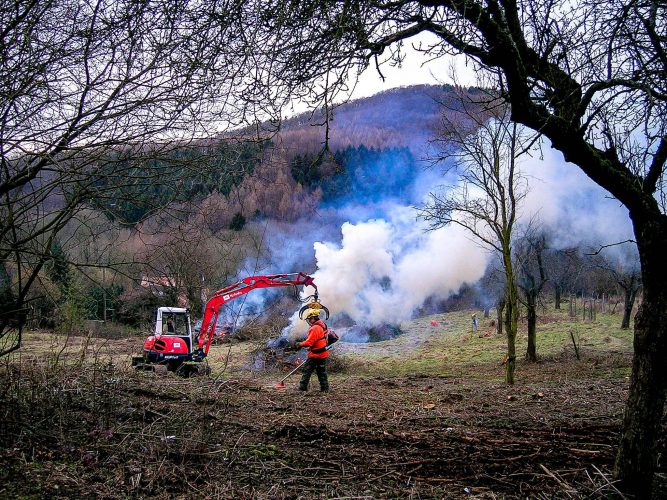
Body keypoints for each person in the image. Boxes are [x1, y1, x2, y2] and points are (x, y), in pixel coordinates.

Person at [297, 308, 330, 392]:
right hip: (323, 353)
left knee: (307, 370)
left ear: (313, 318)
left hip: (315, 355)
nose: (308, 321)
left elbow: (309, 342)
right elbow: (320, 339)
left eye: (309, 319)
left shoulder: (315, 328)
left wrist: (298, 344)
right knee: (321, 372)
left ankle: (302, 388)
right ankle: (325, 388)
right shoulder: (322, 325)